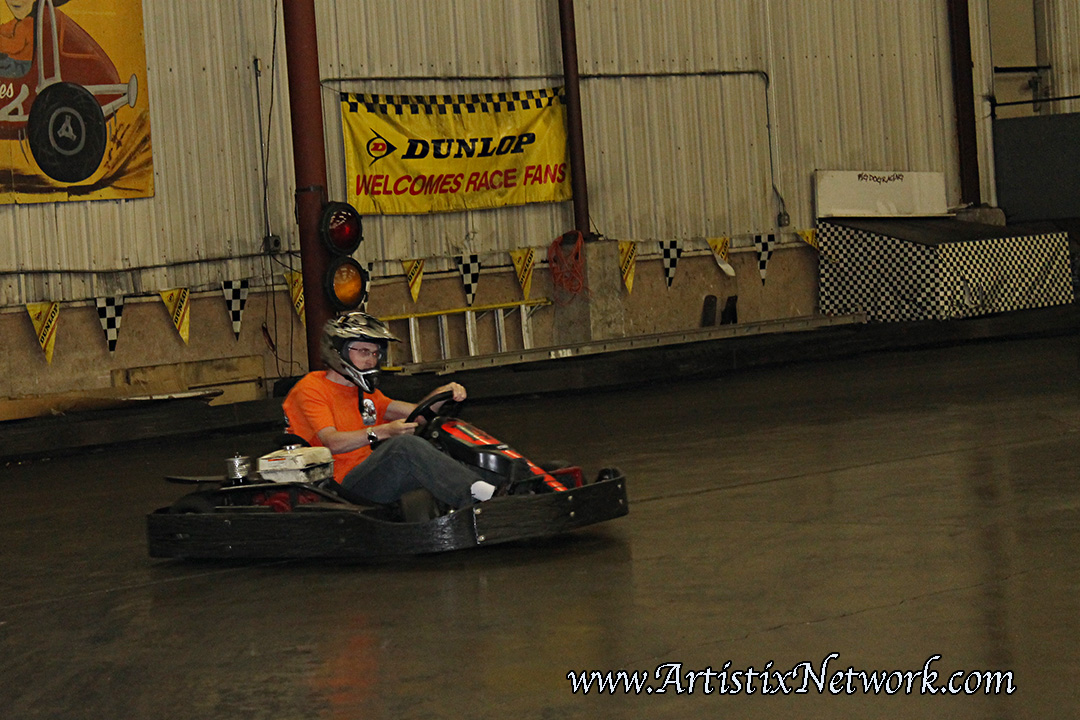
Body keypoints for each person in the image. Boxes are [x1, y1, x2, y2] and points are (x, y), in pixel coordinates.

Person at [282, 311, 502, 509]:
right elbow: (331, 442)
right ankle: (480, 501)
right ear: (338, 351)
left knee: (442, 444)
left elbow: (417, 415)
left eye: (376, 354)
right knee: (404, 447)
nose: (371, 360)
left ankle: (501, 489)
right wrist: (384, 431)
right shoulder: (312, 388)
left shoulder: (365, 393)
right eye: (364, 352)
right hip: (336, 486)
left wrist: (442, 392)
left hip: (368, 476)